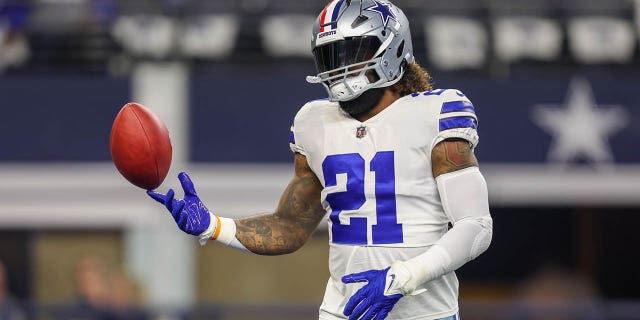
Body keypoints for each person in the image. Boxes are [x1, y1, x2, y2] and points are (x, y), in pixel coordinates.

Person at [148, 0, 493, 319]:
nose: (340, 69)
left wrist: (403, 277)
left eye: (352, 53)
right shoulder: (313, 122)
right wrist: (213, 225)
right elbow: (291, 226)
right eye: (331, 57)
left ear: (390, 48)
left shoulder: (437, 111)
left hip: (425, 314)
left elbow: (475, 227)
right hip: (342, 312)